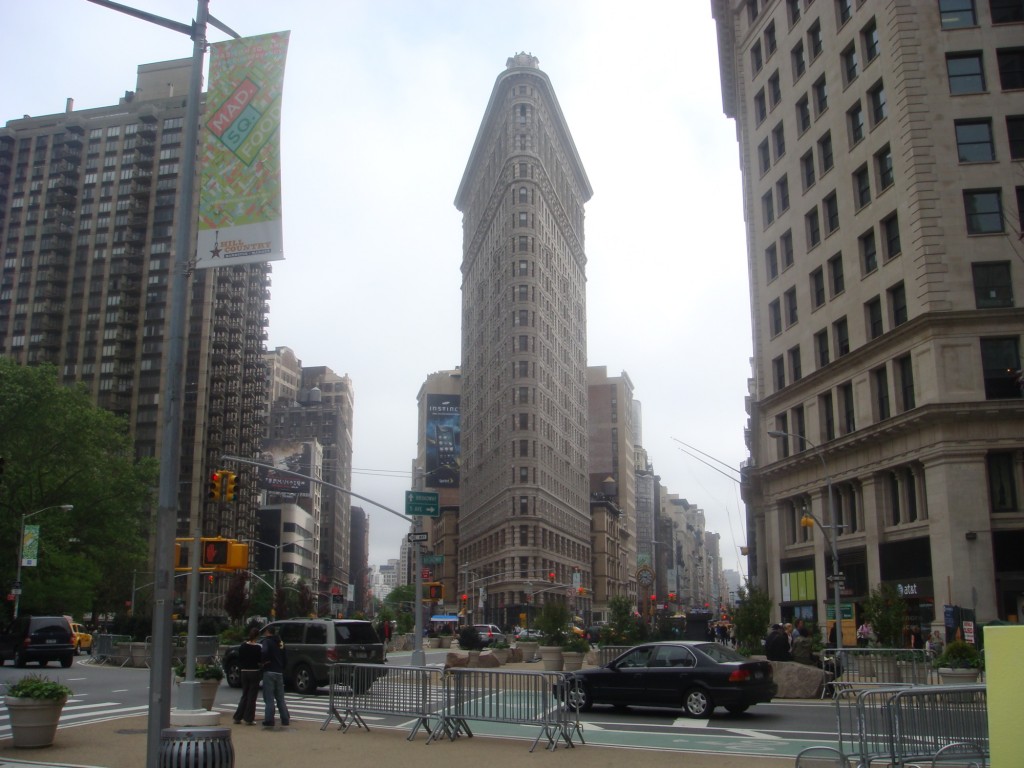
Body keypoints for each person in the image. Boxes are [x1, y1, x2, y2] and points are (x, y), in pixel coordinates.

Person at [260, 625, 290, 727]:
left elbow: (263, 652)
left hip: (269, 671)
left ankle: (269, 719)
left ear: (268, 632)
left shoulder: (267, 641)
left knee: (269, 697)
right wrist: (282, 667)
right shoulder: (280, 642)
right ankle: (285, 718)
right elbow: (285, 657)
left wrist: (263, 662)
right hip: (279, 671)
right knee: (280, 697)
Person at [231, 628, 263, 725]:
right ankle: (249, 718)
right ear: (257, 637)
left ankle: (238, 716)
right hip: (254, 671)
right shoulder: (258, 647)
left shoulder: (243, 646)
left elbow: (240, 658)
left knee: (244, 694)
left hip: (244, 671)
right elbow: (260, 660)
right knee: (252, 696)